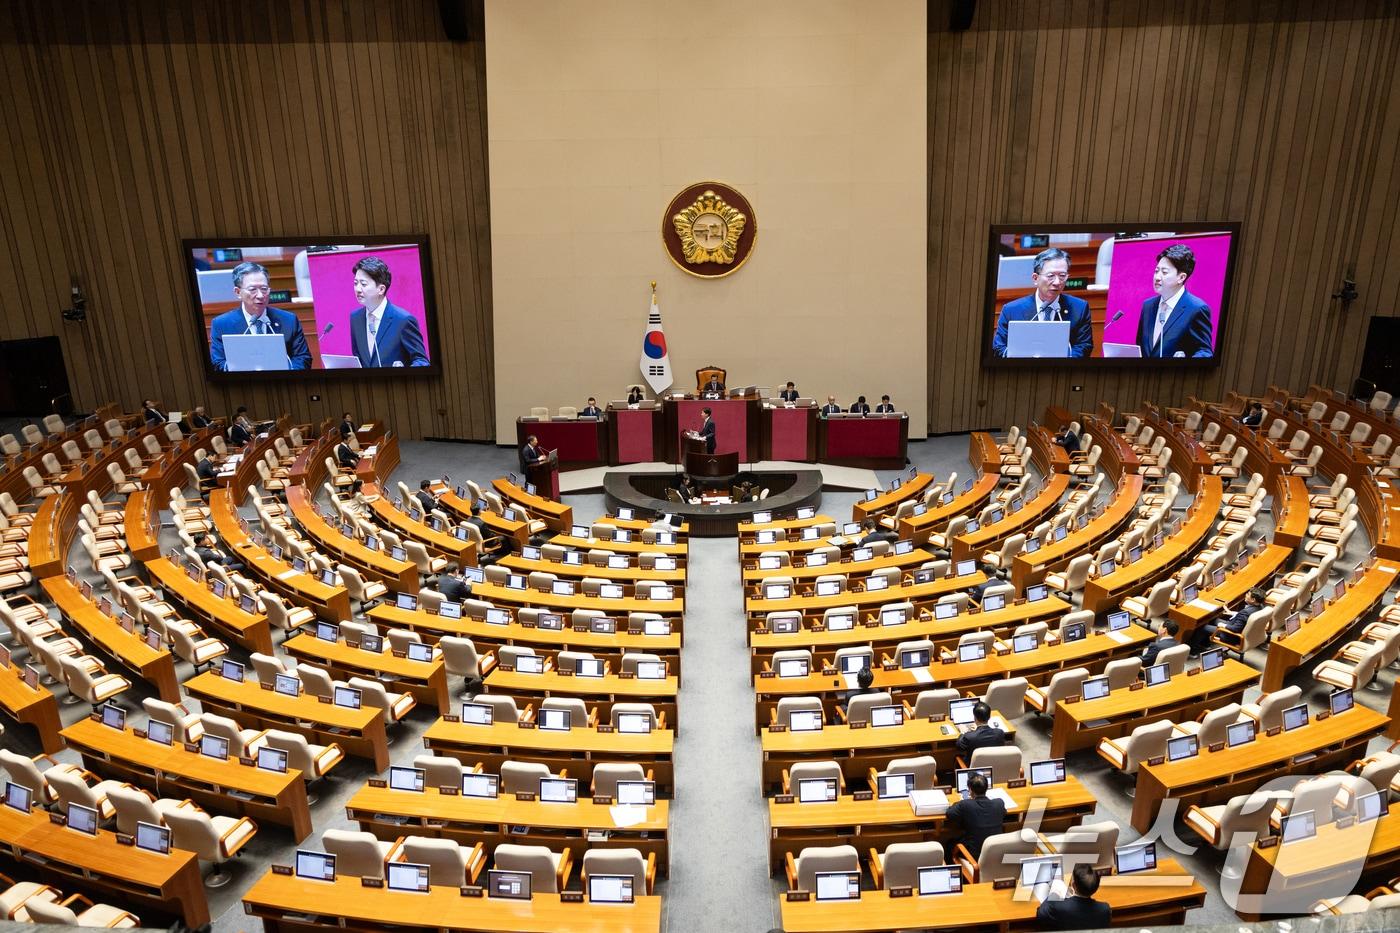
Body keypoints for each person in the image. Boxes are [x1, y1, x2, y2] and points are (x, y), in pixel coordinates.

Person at [208, 261, 311, 371]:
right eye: (252, 289)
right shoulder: (222, 324)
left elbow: (303, 358)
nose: (261, 295)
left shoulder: (289, 320)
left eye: (264, 289)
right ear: (238, 292)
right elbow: (217, 364)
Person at [991, 247, 1093, 358]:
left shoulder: (1080, 308)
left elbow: (1084, 346)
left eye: (1062, 276)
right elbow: (998, 348)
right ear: (1035, 278)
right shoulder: (1011, 310)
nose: (1057, 282)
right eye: (1050, 276)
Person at [347, 256, 429, 367]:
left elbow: (422, 361)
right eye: (355, 283)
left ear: (381, 289)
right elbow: (359, 359)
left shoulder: (403, 320)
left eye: (363, 284)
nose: (357, 289)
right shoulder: (355, 318)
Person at [1136, 243, 1214, 359]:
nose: (1157, 277)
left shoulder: (1196, 309)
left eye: (1164, 272)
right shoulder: (1148, 306)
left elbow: (1204, 352)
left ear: (1181, 277)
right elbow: (1141, 347)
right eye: (1156, 271)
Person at [945, 772, 1007, 859]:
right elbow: (1004, 813)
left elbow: (949, 813)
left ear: (970, 790)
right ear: (986, 788)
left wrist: (960, 802)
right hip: (996, 852)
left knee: (949, 844)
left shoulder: (965, 804)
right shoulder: (999, 803)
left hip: (973, 856)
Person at [1036, 864, 1111, 929]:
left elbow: (1041, 913)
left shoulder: (1057, 908)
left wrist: (1054, 894)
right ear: (1096, 887)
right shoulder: (1105, 909)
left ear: (1073, 885)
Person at [1191, 588, 1264, 652]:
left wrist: (1223, 625)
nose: (1246, 595)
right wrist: (1228, 611)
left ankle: (1192, 649)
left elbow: (1235, 628)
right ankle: (1205, 644)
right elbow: (1243, 617)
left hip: (1230, 635)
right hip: (1238, 626)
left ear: (1253, 599)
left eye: (1248, 594)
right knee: (1213, 619)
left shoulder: (1245, 612)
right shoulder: (1260, 606)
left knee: (1203, 627)